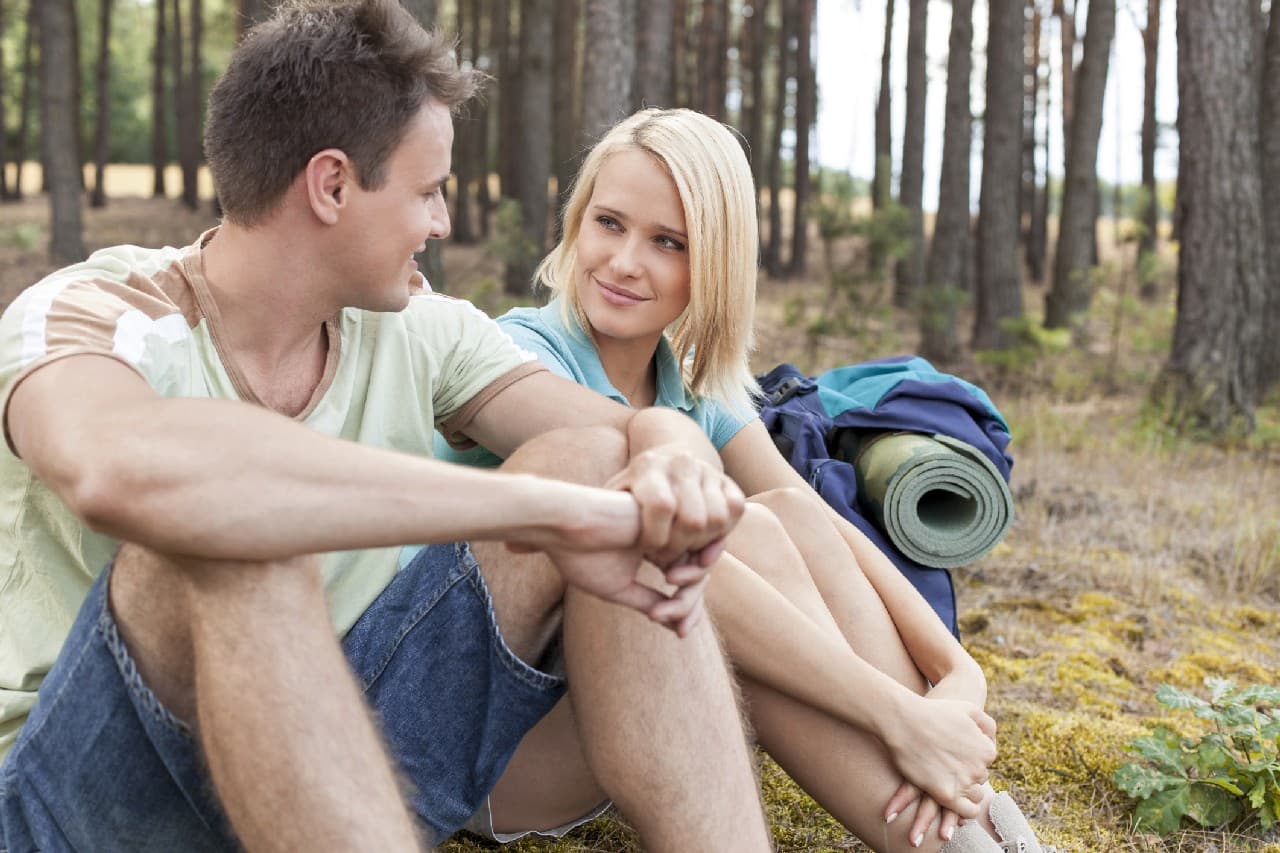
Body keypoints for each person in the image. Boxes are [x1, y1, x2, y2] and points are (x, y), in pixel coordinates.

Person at [0, 6, 776, 853]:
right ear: (332, 185)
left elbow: (628, 434)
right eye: (428, 190)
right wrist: (541, 511)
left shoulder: (419, 328)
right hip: (84, 805)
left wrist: (671, 456)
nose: (442, 222)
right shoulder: (90, 313)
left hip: (334, 762)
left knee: (593, 460)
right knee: (228, 536)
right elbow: (123, 472)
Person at [440, 108, 1052, 853]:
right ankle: (952, 832)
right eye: (609, 223)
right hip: (492, 755)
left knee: (783, 508)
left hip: (620, 724)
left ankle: (974, 827)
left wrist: (956, 671)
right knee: (741, 536)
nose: (625, 261)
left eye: (668, 242)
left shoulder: (692, 386)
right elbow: (682, 556)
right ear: (577, 223)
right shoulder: (521, 358)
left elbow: (813, 519)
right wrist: (897, 714)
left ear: (715, 262)